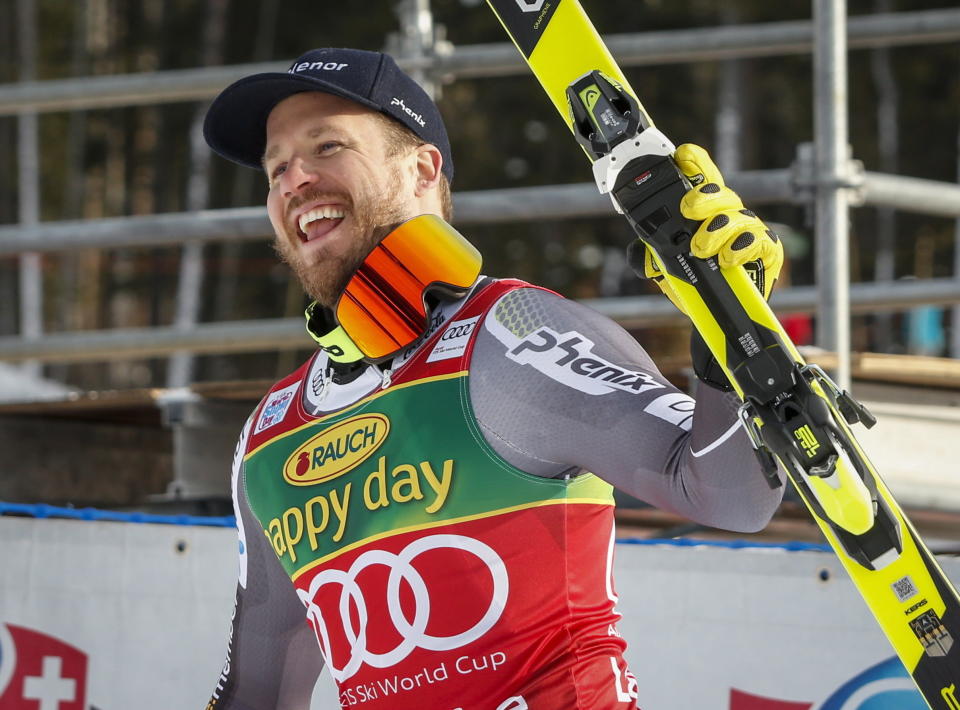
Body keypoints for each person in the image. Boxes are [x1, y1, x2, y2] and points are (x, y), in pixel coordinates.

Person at [201, 47, 786, 710]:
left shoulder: (511, 335)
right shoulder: (272, 435)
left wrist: (728, 329)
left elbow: (733, 498)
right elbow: (256, 692)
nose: (293, 179)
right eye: (275, 168)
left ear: (422, 170)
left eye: (327, 146)